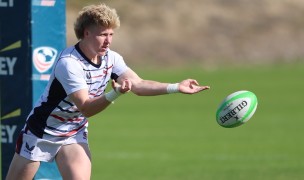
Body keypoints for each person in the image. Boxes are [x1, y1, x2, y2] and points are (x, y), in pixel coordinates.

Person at [6, 3, 210, 180]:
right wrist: (115, 93)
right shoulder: (69, 64)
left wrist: (176, 87)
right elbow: (86, 107)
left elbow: (138, 85)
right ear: (86, 33)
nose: (108, 40)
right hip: (41, 132)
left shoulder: (111, 58)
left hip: (73, 133)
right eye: (103, 34)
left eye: (111, 34)